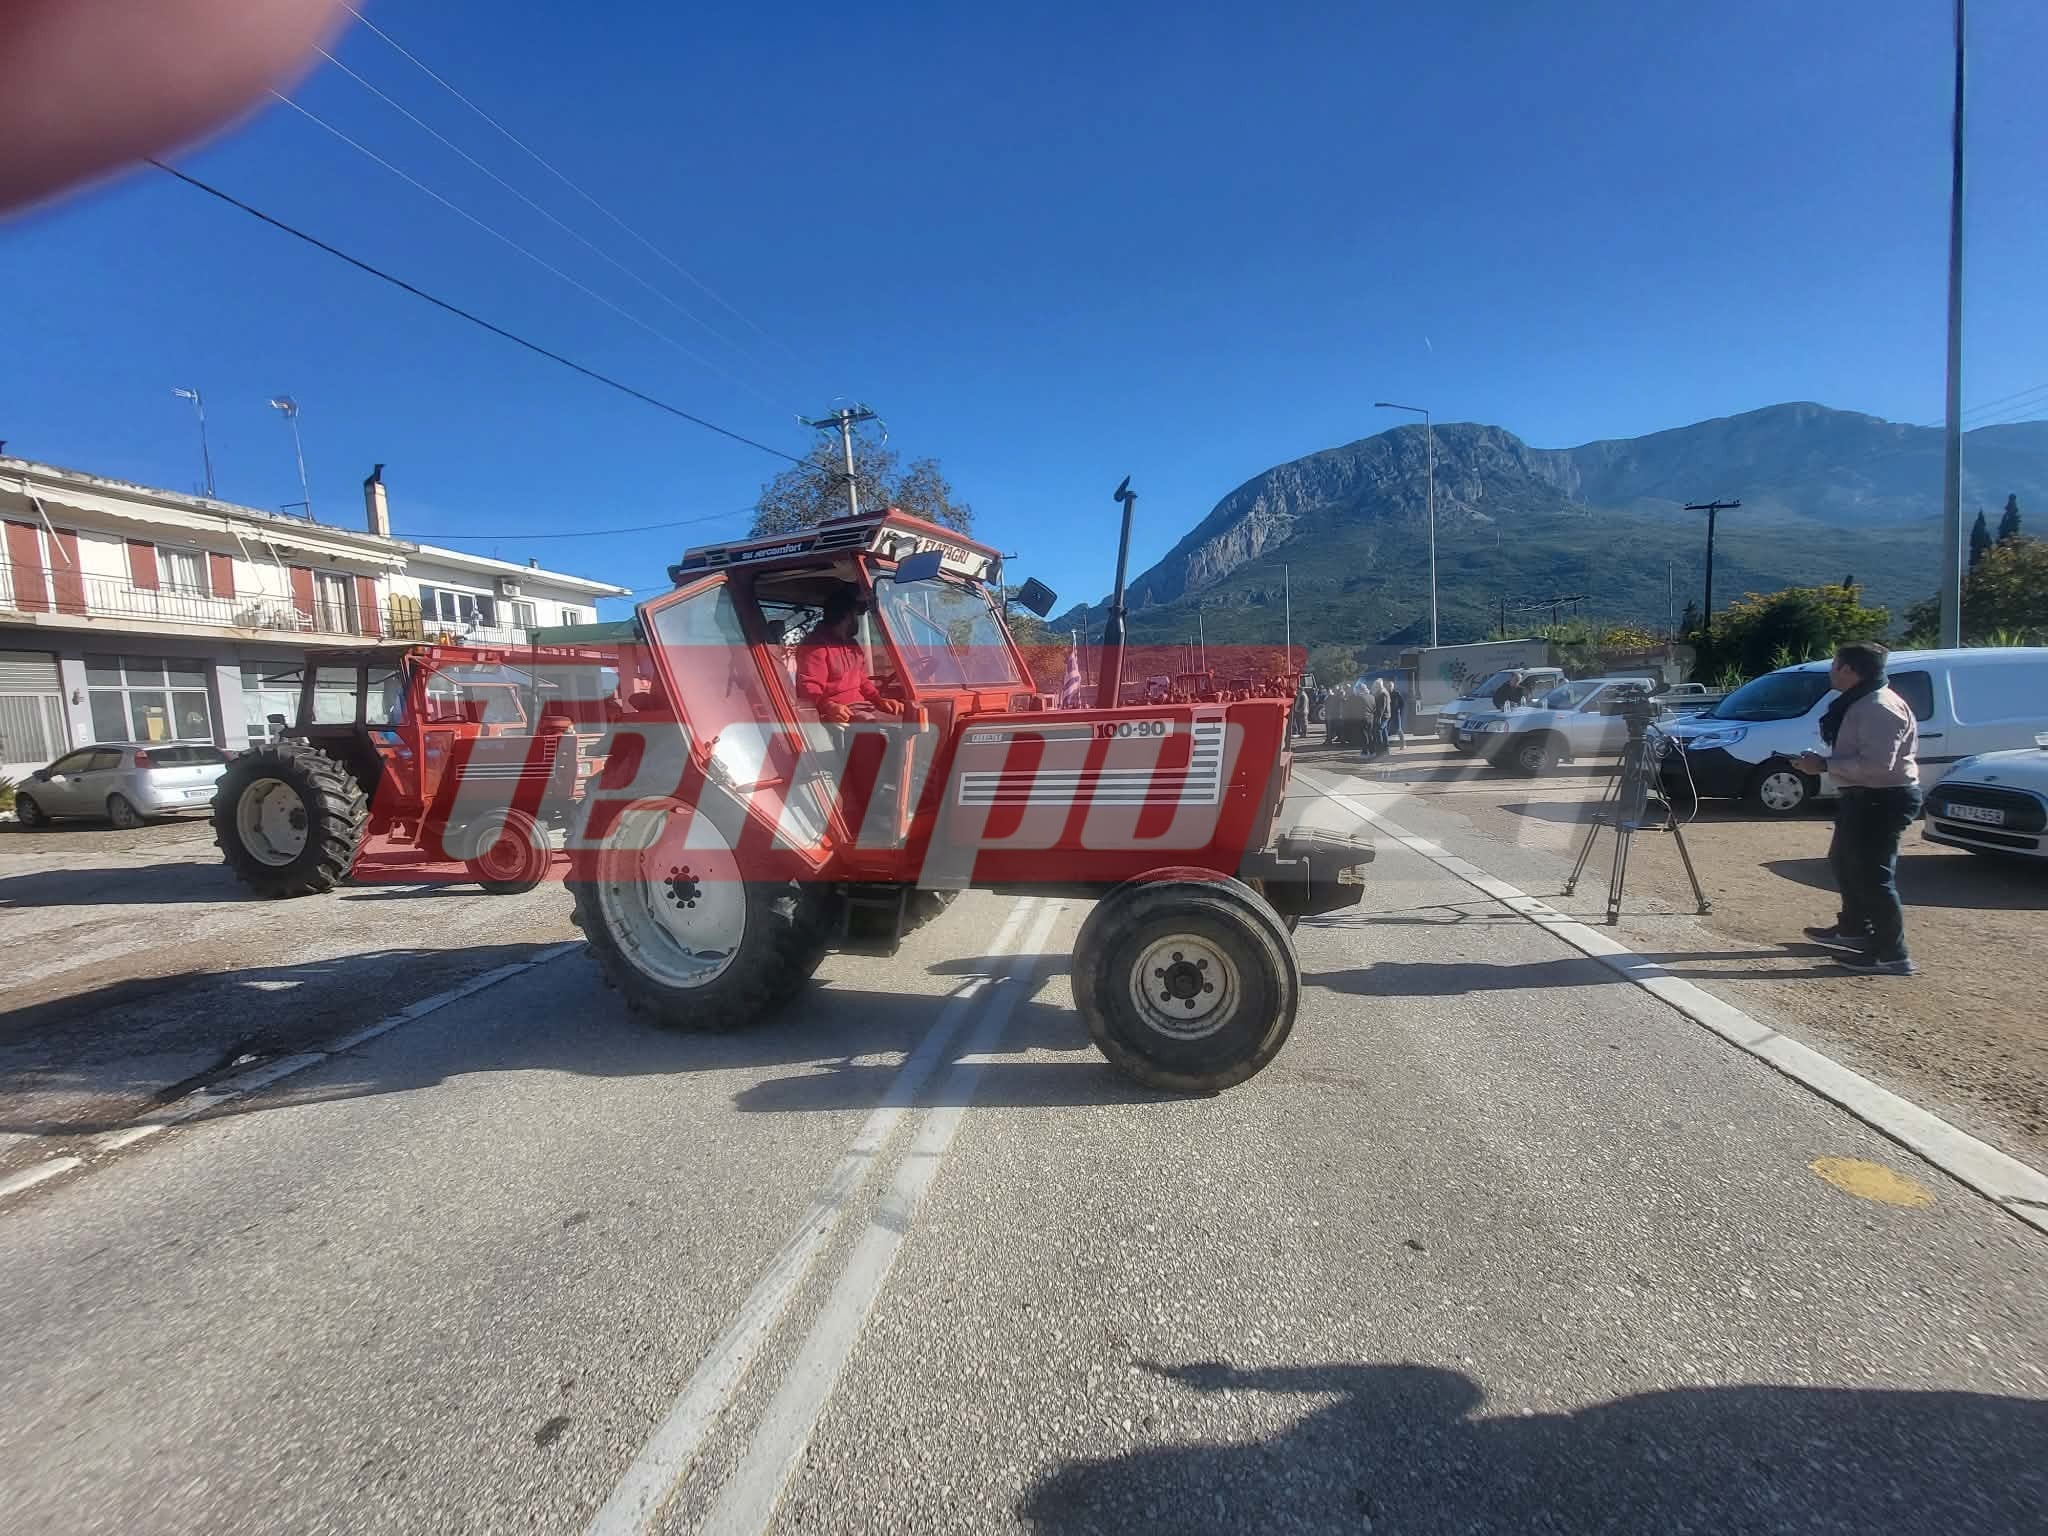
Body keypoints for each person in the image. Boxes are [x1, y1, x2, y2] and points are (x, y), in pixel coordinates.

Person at [1793, 642, 1921, 975]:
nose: (1831, 672)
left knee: (1873, 876)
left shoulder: (1879, 707)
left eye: (1835, 665)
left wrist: (1823, 765)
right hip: (1864, 796)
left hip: (1882, 797)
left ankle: (1892, 954)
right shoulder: (1861, 701)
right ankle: (1854, 930)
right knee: (1845, 862)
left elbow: (1879, 765)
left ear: (1850, 670)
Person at [795, 587, 906, 724]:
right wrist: (829, 707)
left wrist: (880, 700)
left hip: (862, 707)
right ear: (846, 616)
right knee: (876, 727)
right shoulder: (815, 646)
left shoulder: (851, 644)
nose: (857, 619)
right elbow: (809, 689)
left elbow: (861, 679)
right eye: (855, 614)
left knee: (908, 719)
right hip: (840, 714)